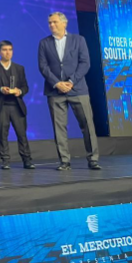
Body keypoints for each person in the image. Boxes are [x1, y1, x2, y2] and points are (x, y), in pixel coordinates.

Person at [38, 12, 100, 170]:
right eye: (50, 23)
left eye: (55, 22)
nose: (52, 25)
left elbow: (85, 63)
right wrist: (57, 83)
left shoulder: (79, 40)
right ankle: (64, 161)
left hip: (78, 89)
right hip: (55, 92)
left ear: (64, 23)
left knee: (87, 125)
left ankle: (93, 159)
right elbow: (43, 67)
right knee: (59, 128)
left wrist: (71, 81)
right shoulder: (44, 43)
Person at [0, 40, 35, 170]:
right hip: (1, 105)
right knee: (2, 134)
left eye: (10, 50)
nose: (8, 52)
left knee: (22, 134)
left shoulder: (19, 68)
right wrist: (1, 89)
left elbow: (25, 86)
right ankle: (5, 160)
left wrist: (19, 91)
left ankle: (27, 160)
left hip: (17, 105)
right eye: (4, 50)